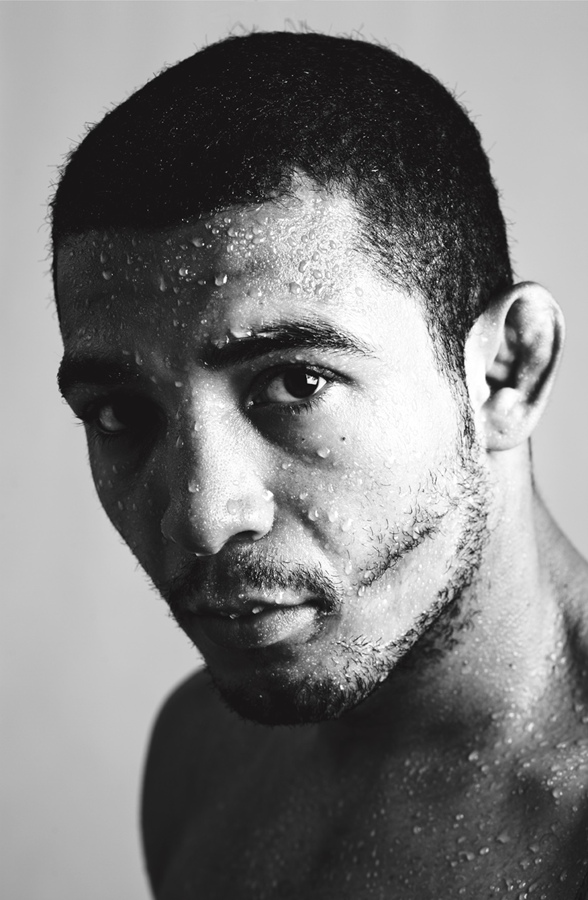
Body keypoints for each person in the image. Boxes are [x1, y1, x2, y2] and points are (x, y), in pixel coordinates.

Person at [52, 30, 588, 899]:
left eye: (296, 383)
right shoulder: (200, 752)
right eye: (121, 414)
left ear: (505, 372)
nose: (201, 516)